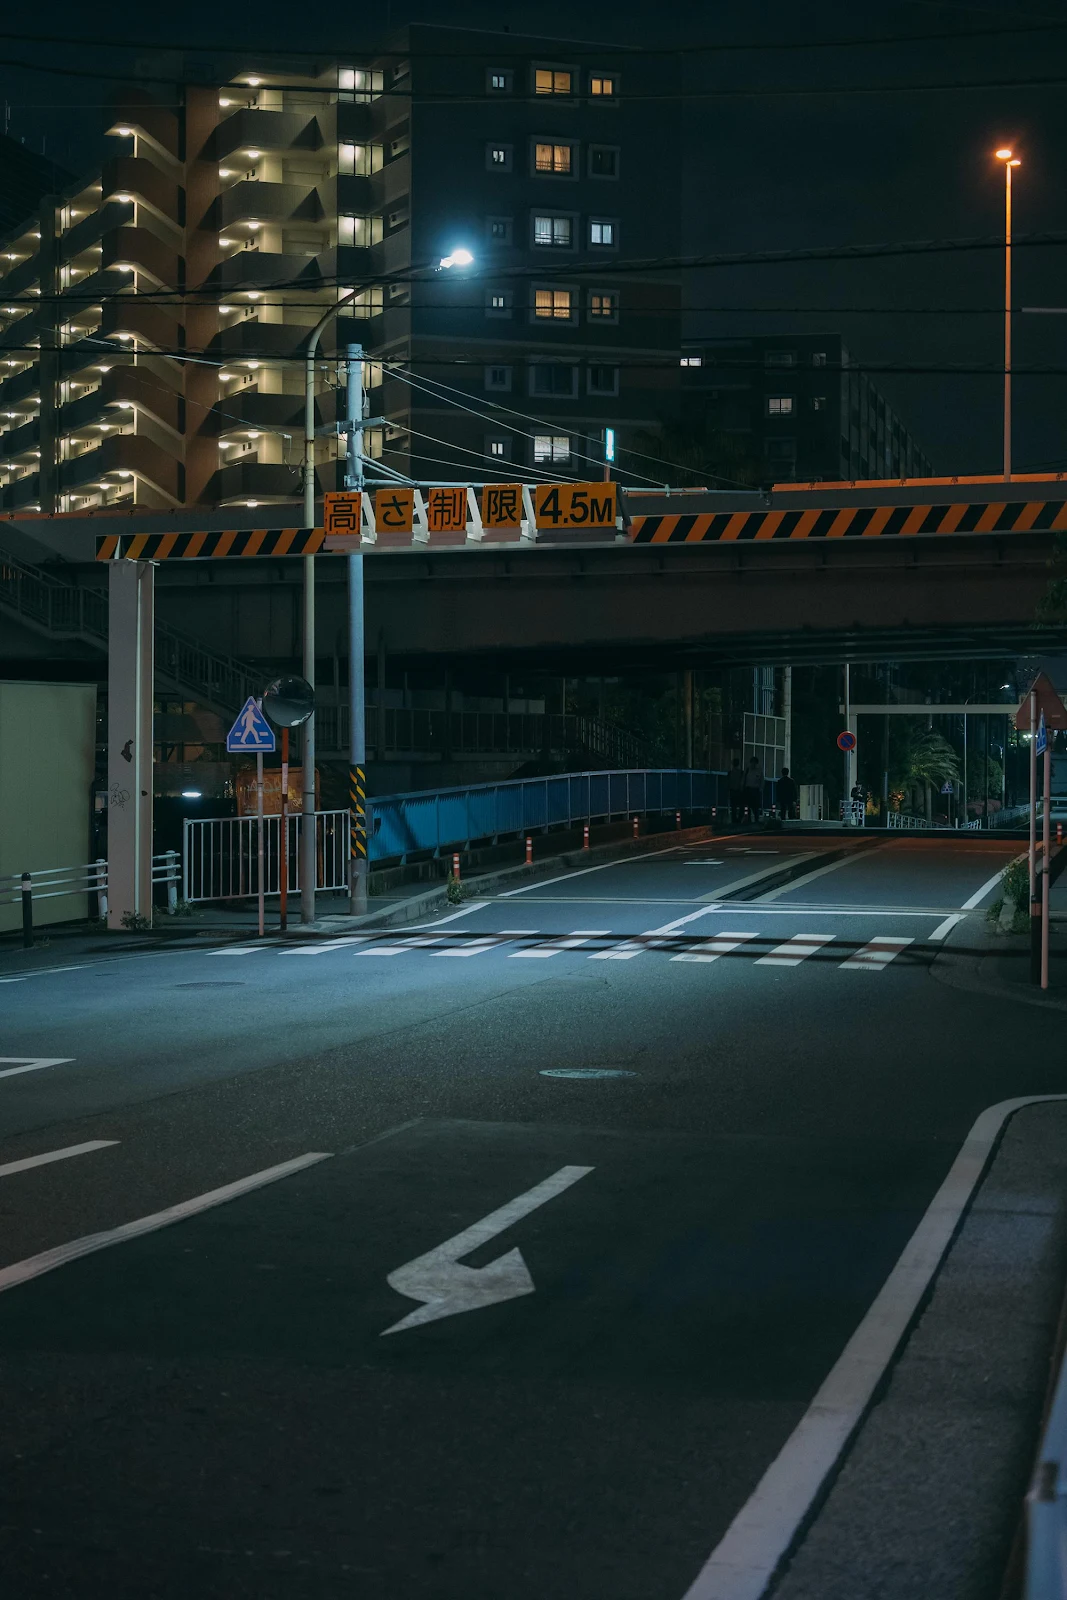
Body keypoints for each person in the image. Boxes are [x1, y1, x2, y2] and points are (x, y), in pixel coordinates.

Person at [743, 754, 763, 823]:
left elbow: (762, 781)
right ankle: (748, 819)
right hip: (748, 789)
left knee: (755, 806)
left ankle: (756, 819)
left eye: (755, 762)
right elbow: (744, 779)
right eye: (752, 762)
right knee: (747, 806)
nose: (753, 764)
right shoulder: (747, 770)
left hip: (755, 790)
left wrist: (760, 789)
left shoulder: (759, 771)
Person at [727, 758, 745, 825]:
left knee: (733, 806)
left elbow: (728, 783)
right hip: (739, 791)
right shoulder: (741, 772)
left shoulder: (730, 773)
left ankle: (734, 820)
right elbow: (742, 783)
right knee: (741, 806)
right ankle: (739, 819)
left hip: (732, 791)